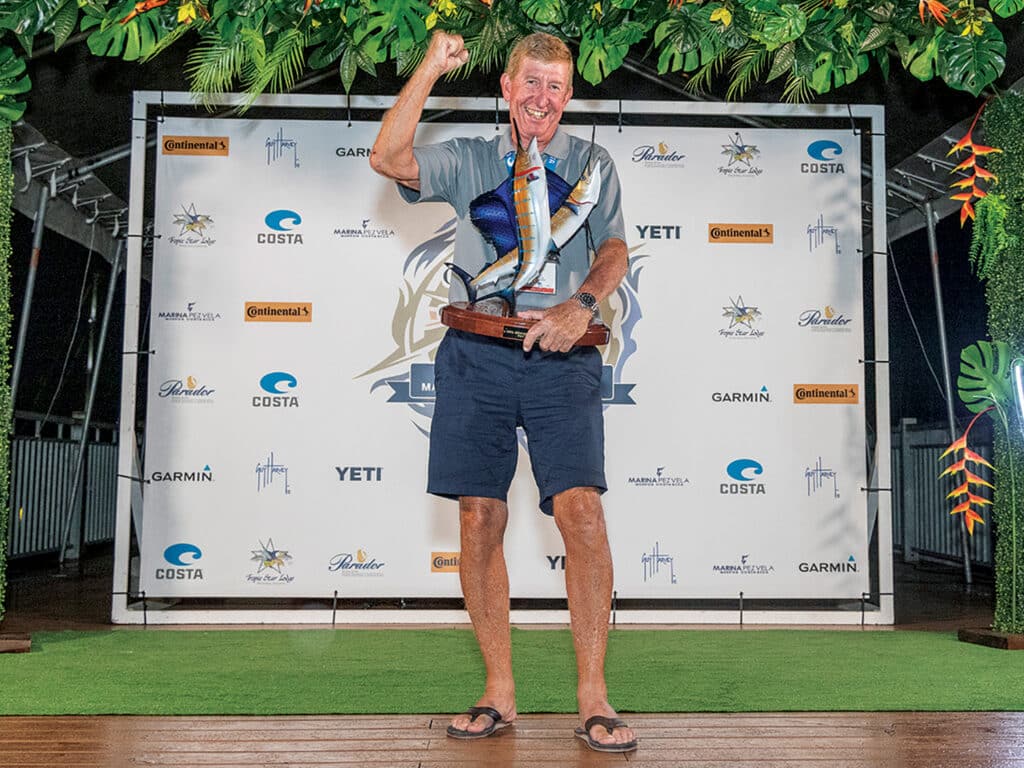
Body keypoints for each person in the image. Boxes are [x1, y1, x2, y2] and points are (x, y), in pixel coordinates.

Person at [370, 30, 636, 754]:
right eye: (531, 83)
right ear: (507, 90)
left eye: (556, 86)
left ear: (569, 96)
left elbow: (612, 248)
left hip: (564, 356)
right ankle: (499, 692)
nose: (542, 97)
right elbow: (389, 158)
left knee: (581, 514)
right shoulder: (471, 159)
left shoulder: (592, 163)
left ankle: (593, 696)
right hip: (476, 354)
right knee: (480, 518)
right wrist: (429, 66)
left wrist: (582, 302)